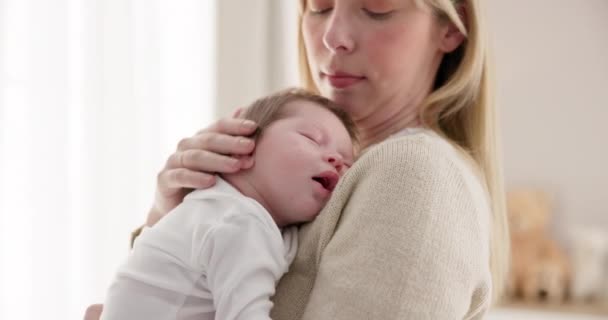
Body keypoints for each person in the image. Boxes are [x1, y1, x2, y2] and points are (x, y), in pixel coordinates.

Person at [86, 0, 510, 319]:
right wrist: (170, 217)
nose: (333, 36)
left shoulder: (415, 174)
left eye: (377, 8)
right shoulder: (306, 188)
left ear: (452, 28)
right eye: (319, 6)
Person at [100, 89, 357, 320]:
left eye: (346, 164)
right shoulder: (239, 219)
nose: (335, 160)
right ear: (240, 141)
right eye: (311, 138)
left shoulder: (222, 210)